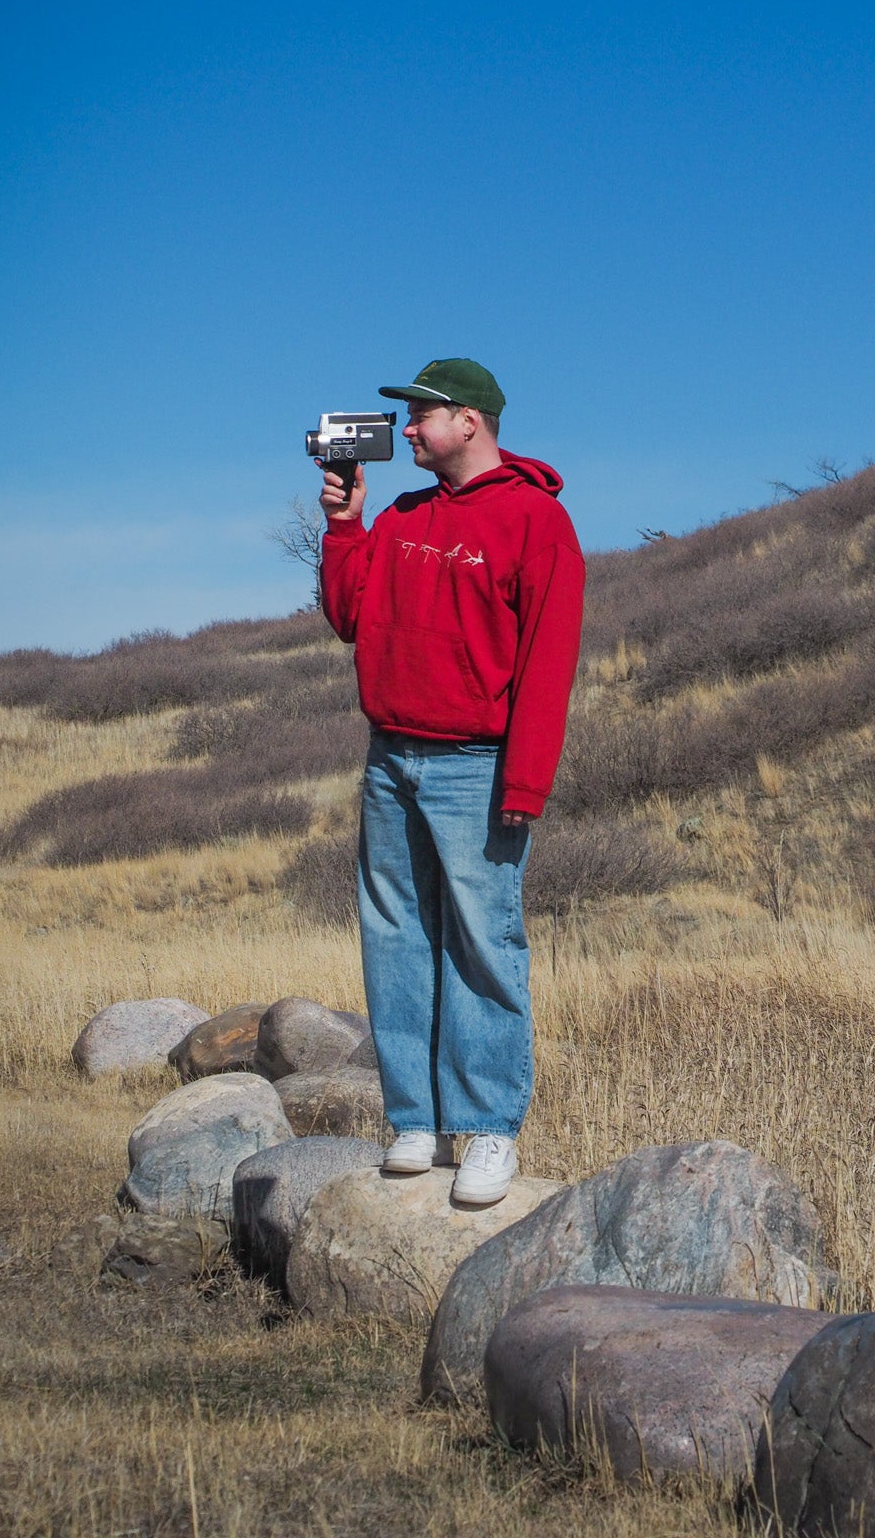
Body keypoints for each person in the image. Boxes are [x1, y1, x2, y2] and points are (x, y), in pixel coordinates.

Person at [317, 357, 584, 1205]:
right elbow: (349, 617)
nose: (409, 430)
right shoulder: (399, 516)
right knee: (395, 938)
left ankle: (489, 1132)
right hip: (390, 756)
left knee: (482, 943)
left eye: (423, 415)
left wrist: (525, 784)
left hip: (477, 766)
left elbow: (549, 663)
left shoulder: (536, 522)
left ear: (469, 421)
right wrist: (345, 528)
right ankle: (416, 1122)